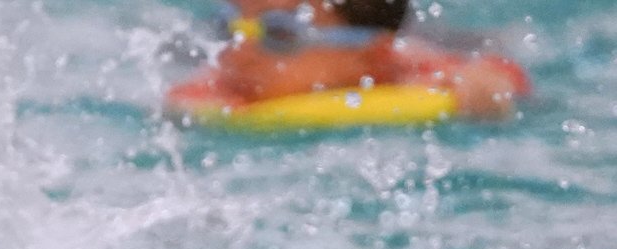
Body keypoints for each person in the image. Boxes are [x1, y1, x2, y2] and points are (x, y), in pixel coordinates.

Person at [166, 0, 530, 122]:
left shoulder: (411, 68)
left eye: (279, 35)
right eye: (231, 28)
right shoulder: (222, 83)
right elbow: (185, 99)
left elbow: (498, 76)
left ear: (370, 53)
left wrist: (484, 92)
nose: (234, 52)